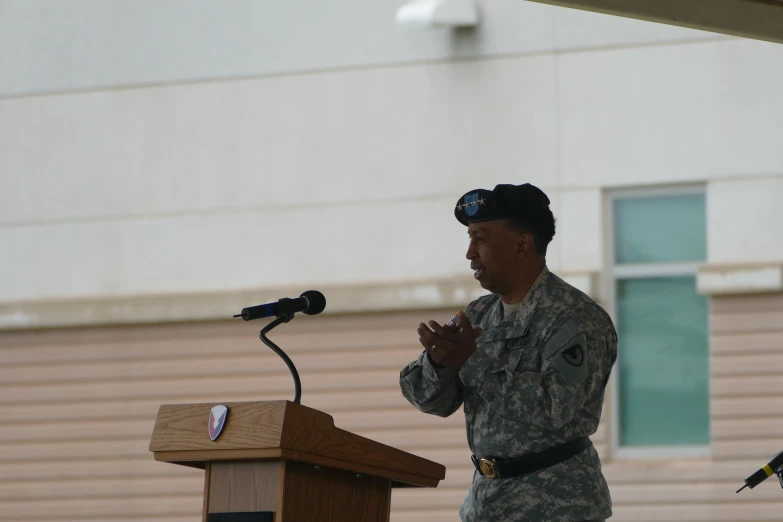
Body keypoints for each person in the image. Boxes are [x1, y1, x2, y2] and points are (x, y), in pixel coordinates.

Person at [399, 183, 617, 522]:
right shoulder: (480, 314)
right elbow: (431, 400)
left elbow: (555, 412)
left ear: (521, 244)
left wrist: (473, 362)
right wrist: (438, 363)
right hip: (486, 504)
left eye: (481, 238)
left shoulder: (575, 318)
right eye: (469, 238)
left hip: (557, 506)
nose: (470, 252)